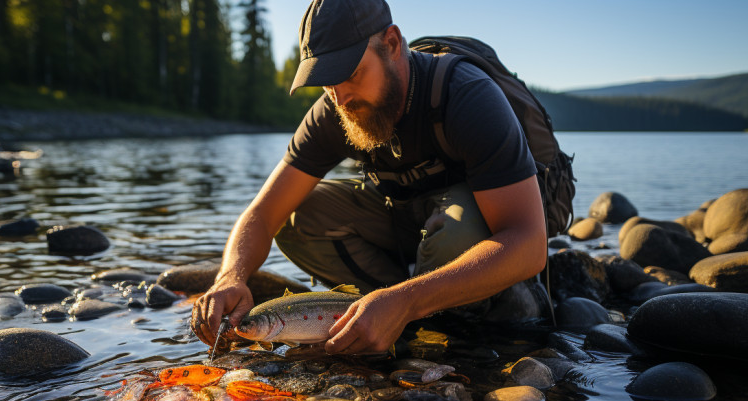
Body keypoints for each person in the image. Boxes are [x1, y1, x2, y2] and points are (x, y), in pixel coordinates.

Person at [192, 0, 548, 354]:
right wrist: (231, 277)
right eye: (326, 81)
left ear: (392, 44)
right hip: (407, 225)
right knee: (296, 216)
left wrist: (407, 301)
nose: (340, 97)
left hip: (474, 230)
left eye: (350, 73)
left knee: (456, 235)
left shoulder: (467, 96)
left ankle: (431, 308)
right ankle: (383, 308)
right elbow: (263, 213)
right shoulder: (335, 109)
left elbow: (531, 243)